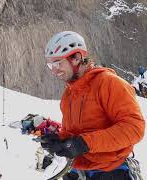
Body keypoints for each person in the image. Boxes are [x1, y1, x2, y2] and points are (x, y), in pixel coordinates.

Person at [40, 31, 145, 180]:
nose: (54, 71)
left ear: (76, 58)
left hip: (111, 173)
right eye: (51, 65)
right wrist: (60, 139)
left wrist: (85, 143)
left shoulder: (109, 83)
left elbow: (134, 128)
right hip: (78, 172)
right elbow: (76, 134)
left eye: (57, 63)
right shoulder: (69, 95)